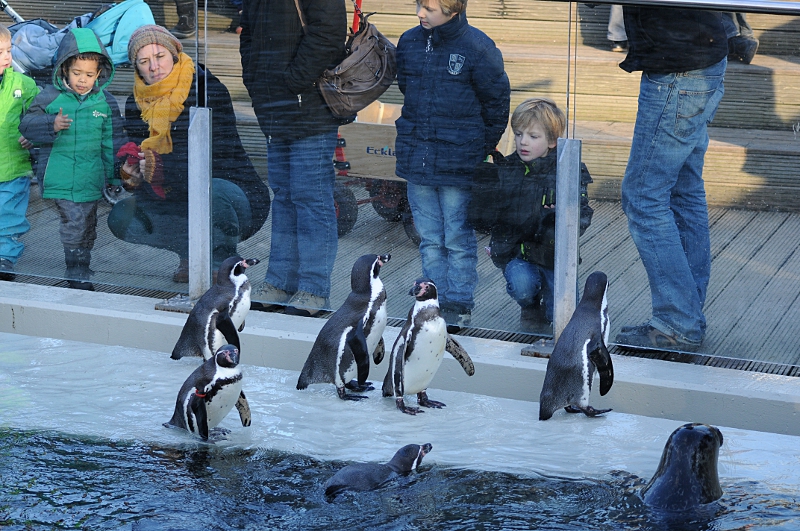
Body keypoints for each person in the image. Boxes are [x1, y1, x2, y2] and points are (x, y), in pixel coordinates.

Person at [108, 25, 270, 282]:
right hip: (175, 195)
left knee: (211, 192)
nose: (153, 67)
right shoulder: (135, 102)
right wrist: (129, 172)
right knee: (121, 216)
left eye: (160, 57)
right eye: (144, 61)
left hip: (234, 193)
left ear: (174, 55)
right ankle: (190, 254)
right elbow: (134, 150)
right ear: (136, 67)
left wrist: (161, 167)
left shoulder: (207, 90)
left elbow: (217, 155)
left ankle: (222, 263)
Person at [614, 8, 727, 352]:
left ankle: (678, 322)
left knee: (643, 197)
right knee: (683, 190)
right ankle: (685, 314)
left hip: (679, 68)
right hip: (700, 58)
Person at [395, 0, 510, 331]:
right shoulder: (409, 41)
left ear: (454, 8)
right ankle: (432, 300)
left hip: (460, 161)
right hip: (419, 157)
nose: (420, 13)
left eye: (429, 8)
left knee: (457, 237)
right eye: (419, 5)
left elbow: (496, 100)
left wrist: (479, 146)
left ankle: (458, 303)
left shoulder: (477, 46)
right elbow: (408, 88)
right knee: (429, 237)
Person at [239, 0, 346, 317]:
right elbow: (249, 35)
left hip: (307, 105)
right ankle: (279, 283)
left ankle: (314, 289)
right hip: (275, 105)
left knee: (311, 197)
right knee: (284, 197)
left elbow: (328, 35)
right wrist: (255, 81)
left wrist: (292, 81)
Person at [20, 28, 125, 291]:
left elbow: (114, 142)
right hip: (60, 175)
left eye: (89, 75)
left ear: (99, 73)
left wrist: (115, 176)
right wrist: (50, 124)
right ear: (65, 69)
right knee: (74, 221)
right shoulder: (49, 97)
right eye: (76, 73)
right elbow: (27, 125)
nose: (82, 80)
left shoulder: (105, 102)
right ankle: (76, 270)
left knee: (88, 223)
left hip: (91, 177)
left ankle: (82, 261)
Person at [483, 98, 593, 331]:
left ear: (552, 141)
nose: (523, 142)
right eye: (519, 134)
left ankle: (550, 308)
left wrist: (561, 218)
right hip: (519, 253)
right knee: (522, 284)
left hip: (554, 255)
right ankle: (530, 305)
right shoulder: (509, 168)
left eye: (533, 137)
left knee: (564, 317)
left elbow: (582, 212)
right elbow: (495, 215)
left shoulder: (568, 169)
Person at [0, 25, 39, 281]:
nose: (6, 56)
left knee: (9, 213)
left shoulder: (23, 84)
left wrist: (32, 133)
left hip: (13, 165)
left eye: (8, 49)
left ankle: (5, 257)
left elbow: (38, 116)